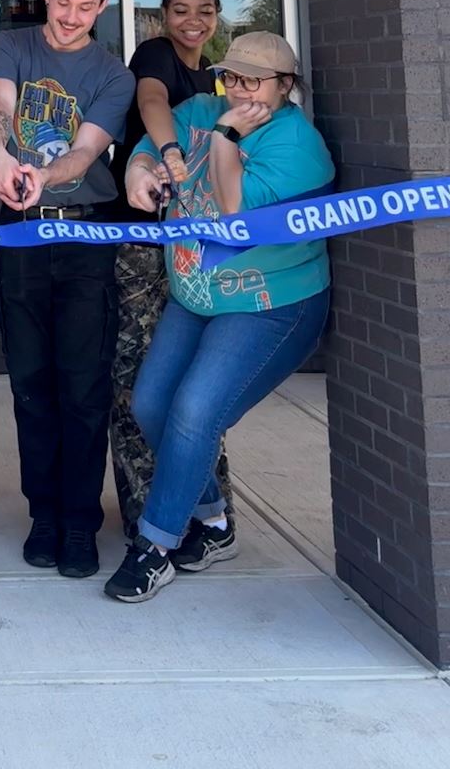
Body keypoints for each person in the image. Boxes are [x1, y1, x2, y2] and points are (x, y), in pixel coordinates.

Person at [105, 31, 334, 603]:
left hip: (268, 303)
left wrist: (230, 135)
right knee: (151, 403)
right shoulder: (200, 108)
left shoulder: (297, 143)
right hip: (197, 294)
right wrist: (141, 170)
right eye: (231, 76)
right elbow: (156, 141)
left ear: (286, 87)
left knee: (195, 411)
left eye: (255, 81)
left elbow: (233, 209)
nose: (238, 89)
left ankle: (154, 548)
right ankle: (214, 523)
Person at [0, 0, 135, 578]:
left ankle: (79, 523)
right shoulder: (8, 44)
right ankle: (42, 516)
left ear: (101, 9)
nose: (71, 17)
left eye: (86, 7)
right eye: (62, 1)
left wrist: (43, 175)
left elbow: (85, 151)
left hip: (84, 241)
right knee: (31, 386)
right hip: (19, 235)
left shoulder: (112, 74)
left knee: (82, 387)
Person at [108, 0, 234, 537]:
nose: (192, 21)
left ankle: (200, 510)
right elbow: (152, 99)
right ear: (163, 15)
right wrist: (168, 149)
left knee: (195, 381)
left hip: (195, 247)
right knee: (138, 381)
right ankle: (145, 515)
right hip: (141, 244)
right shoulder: (155, 54)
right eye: (181, 9)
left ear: (217, 15)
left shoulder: (215, 76)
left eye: (204, 9)